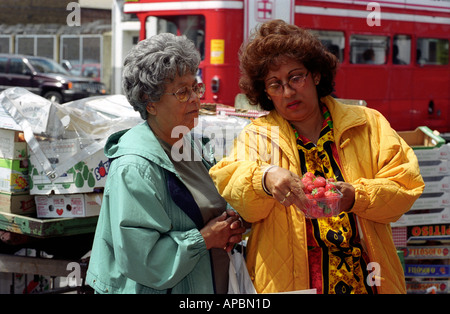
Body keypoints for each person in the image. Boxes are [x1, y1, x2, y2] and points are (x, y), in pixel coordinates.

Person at [209, 20, 424, 294]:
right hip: (290, 286)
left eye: (296, 77)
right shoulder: (257, 136)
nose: (288, 91)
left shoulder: (367, 124)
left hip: (368, 282)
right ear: (265, 93)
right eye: (275, 84)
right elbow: (240, 194)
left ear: (316, 75)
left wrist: (355, 197)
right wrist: (264, 177)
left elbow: (406, 187)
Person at [86, 33, 246, 294]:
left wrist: (232, 223)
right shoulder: (134, 167)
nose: (195, 98)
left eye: (195, 87)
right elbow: (141, 258)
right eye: (182, 92)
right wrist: (205, 239)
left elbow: (213, 204)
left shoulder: (192, 147)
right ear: (150, 104)